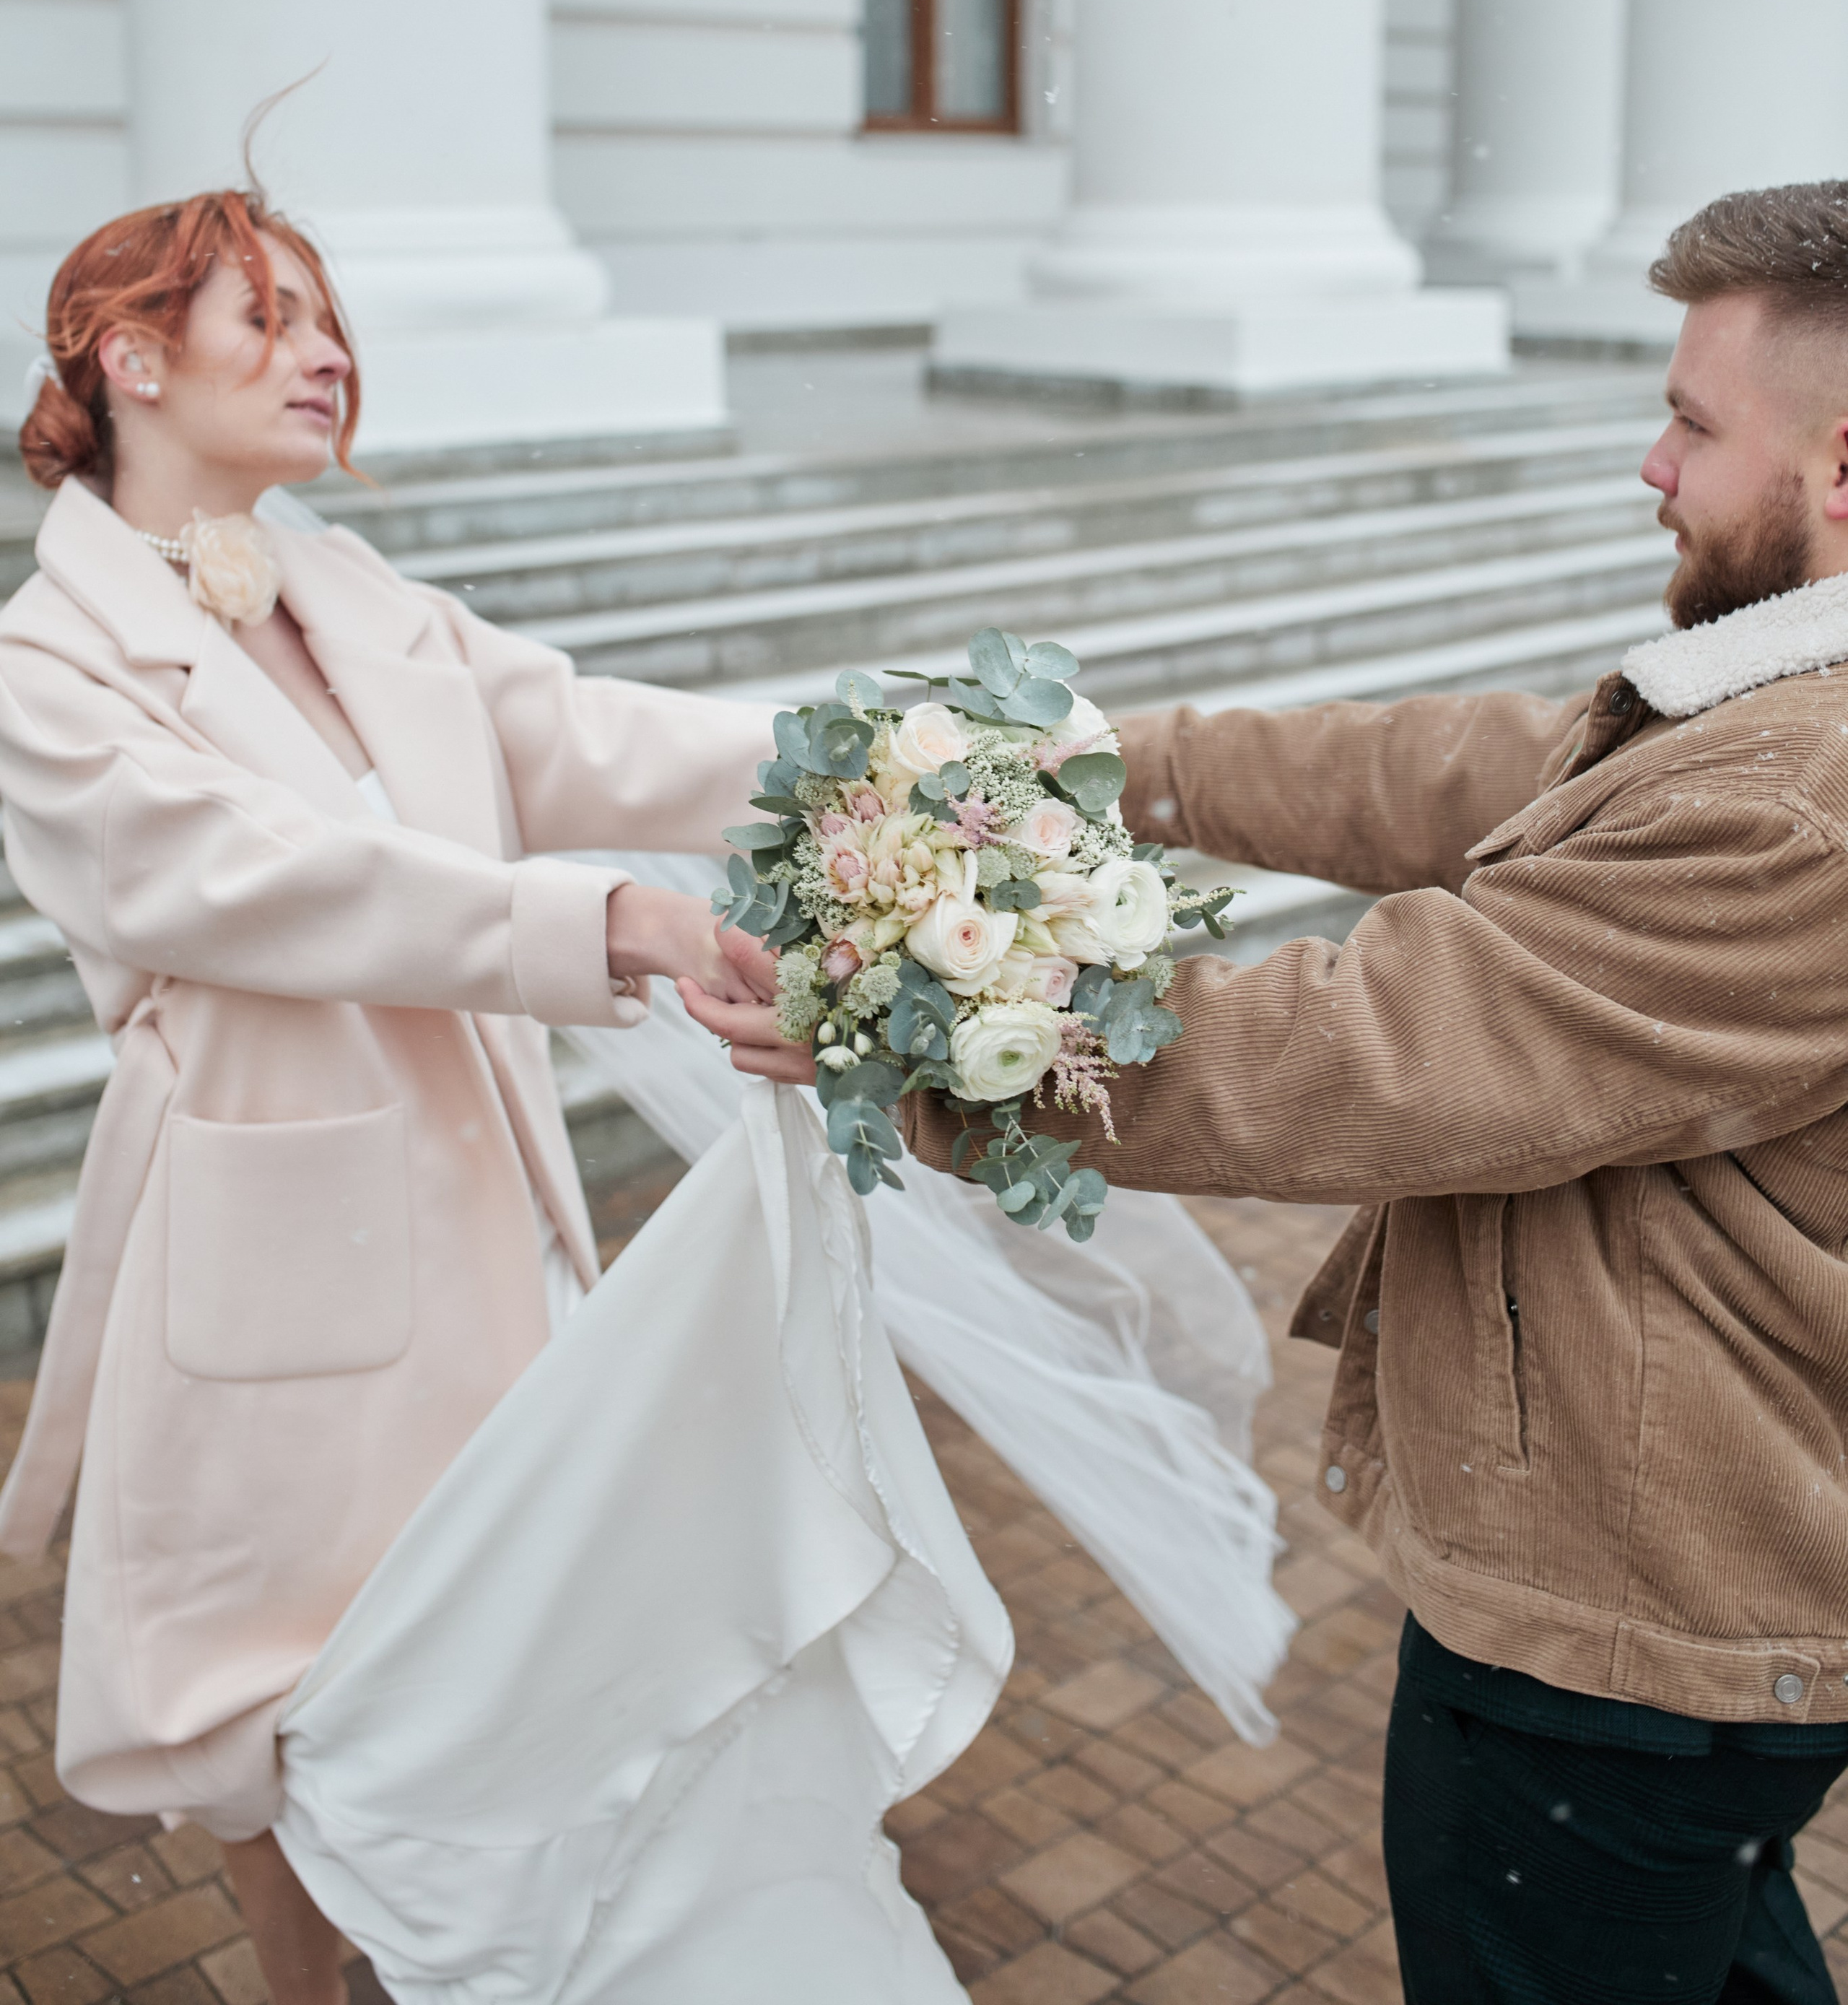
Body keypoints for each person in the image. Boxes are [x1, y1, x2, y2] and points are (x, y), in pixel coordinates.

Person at [702, 180, 1848, 2004]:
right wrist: (1101, 764)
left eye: (1691, 425)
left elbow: (1368, 1052)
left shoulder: (1799, 799)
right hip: (1683, 1601)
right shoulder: (1770, 695)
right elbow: (1455, 765)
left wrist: (910, 1034)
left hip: (1627, 1638)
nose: (1648, 465)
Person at [0, 188, 804, 2001]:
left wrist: (885, 750)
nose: (327, 353)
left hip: (488, 1217)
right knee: (282, 1688)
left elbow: (588, 734)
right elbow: (276, 881)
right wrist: (607, 916)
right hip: (277, 1249)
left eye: (328, 318)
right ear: (131, 360)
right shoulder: (46, 672)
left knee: (501, 1643)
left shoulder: (353, 589)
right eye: (269, 320)